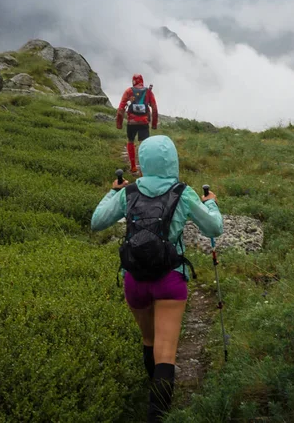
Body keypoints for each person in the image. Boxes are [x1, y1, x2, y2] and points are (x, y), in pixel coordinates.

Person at [91, 135, 223, 422]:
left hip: (134, 279)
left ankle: (151, 388)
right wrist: (211, 203)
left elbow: (97, 221)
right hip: (170, 279)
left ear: (142, 161)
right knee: (167, 352)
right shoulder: (183, 192)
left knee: (149, 339)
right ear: (172, 160)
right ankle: (158, 415)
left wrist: (114, 192)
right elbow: (214, 228)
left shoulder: (129, 192)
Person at [116, 74, 158, 174]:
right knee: (144, 145)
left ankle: (133, 167)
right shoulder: (148, 92)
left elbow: (121, 109)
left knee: (130, 141)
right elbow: (155, 109)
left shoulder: (129, 91)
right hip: (144, 122)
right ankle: (144, 169)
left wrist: (119, 123)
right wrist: (154, 124)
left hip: (131, 122)